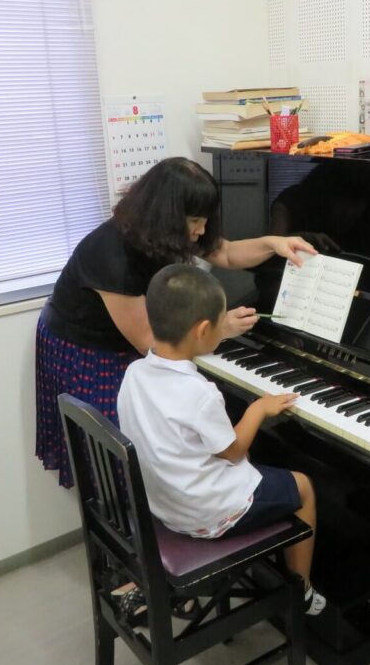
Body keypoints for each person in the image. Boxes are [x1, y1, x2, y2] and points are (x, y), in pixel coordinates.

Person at [36, 157, 314, 487]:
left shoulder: (165, 232)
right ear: (167, 215)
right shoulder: (111, 255)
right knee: (120, 456)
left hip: (135, 341)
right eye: (195, 220)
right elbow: (149, 343)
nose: (202, 230)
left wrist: (274, 244)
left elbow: (226, 253)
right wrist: (221, 328)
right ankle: (147, 515)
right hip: (85, 349)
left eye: (206, 219)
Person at [117, 264, 325, 615]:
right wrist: (259, 409)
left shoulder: (134, 373)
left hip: (165, 505)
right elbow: (233, 451)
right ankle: (300, 590)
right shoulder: (199, 393)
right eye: (220, 323)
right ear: (203, 331)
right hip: (207, 515)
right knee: (303, 487)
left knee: (264, 467)